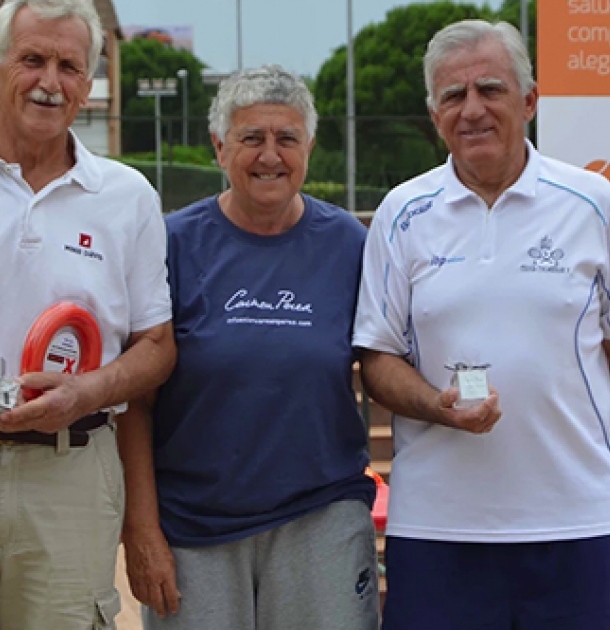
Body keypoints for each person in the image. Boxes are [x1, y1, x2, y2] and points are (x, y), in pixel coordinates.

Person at [352, 19, 610, 630]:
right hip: (440, 527)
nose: (472, 110)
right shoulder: (402, 213)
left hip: (578, 521)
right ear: (433, 114)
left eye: (490, 90)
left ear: (529, 100)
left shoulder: (592, 203)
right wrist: (439, 406)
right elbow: (378, 360)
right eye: (452, 96)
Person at [0, 0, 176, 627]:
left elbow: (157, 345)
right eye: (33, 60)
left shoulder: (128, 199)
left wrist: (88, 391)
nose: (51, 82)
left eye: (70, 66)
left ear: (88, 82)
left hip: (70, 469)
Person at [117, 64, 379, 630]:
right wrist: (141, 527)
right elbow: (136, 400)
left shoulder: (350, 246)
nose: (270, 156)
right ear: (218, 147)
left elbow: (385, 362)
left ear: (308, 146)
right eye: (251, 138)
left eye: (286, 138)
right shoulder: (173, 244)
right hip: (194, 525)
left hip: (321, 515)